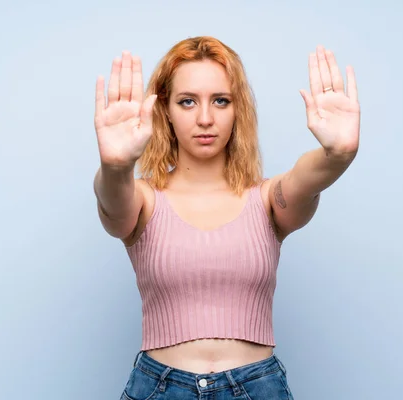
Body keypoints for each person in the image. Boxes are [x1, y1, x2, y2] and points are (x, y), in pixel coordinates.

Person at [93, 36, 360, 399]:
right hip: (160, 389)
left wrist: (338, 154)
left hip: (256, 387)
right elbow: (112, 202)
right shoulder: (142, 198)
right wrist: (115, 165)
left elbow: (305, 179)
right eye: (187, 102)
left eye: (221, 101)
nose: (205, 118)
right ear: (165, 110)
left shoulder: (268, 199)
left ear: (238, 109)